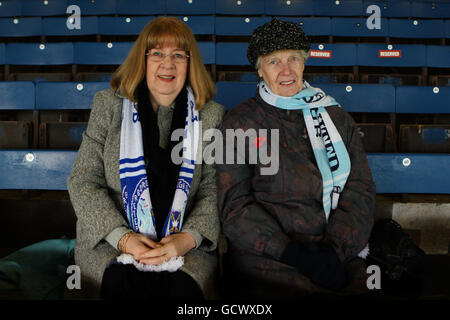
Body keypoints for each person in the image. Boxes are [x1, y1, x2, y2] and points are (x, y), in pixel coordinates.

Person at [216, 19, 376, 299]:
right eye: (274, 62)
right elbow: (234, 206)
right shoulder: (238, 122)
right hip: (267, 256)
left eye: (293, 58)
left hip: (335, 251)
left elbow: (360, 189)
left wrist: (335, 251)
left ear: (304, 63)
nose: (286, 70)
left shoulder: (336, 117)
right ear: (260, 70)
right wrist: (293, 254)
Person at [67, 17, 225, 300]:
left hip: (184, 244)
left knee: (181, 289)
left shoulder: (211, 116)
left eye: (178, 54)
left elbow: (213, 190)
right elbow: (83, 181)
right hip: (111, 241)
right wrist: (123, 239)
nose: (168, 64)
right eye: (158, 54)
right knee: (123, 284)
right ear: (143, 60)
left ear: (190, 63)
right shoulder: (108, 105)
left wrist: (187, 239)